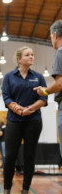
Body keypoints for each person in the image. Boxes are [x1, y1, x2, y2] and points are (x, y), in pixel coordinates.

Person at [1, 46, 47, 194]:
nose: (31, 57)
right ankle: (6, 191)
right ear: (19, 59)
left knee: (29, 157)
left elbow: (44, 99)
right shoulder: (8, 77)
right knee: (10, 158)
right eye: (27, 55)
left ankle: (25, 191)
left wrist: (31, 109)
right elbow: (6, 97)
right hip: (14, 121)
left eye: (32, 55)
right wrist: (18, 110)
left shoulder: (39, 77)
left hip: (33, 122)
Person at [35, 20, 62, 156]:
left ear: (55, 35)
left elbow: (59, 84)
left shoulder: (60, 52)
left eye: (51, 36)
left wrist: (44, 91)